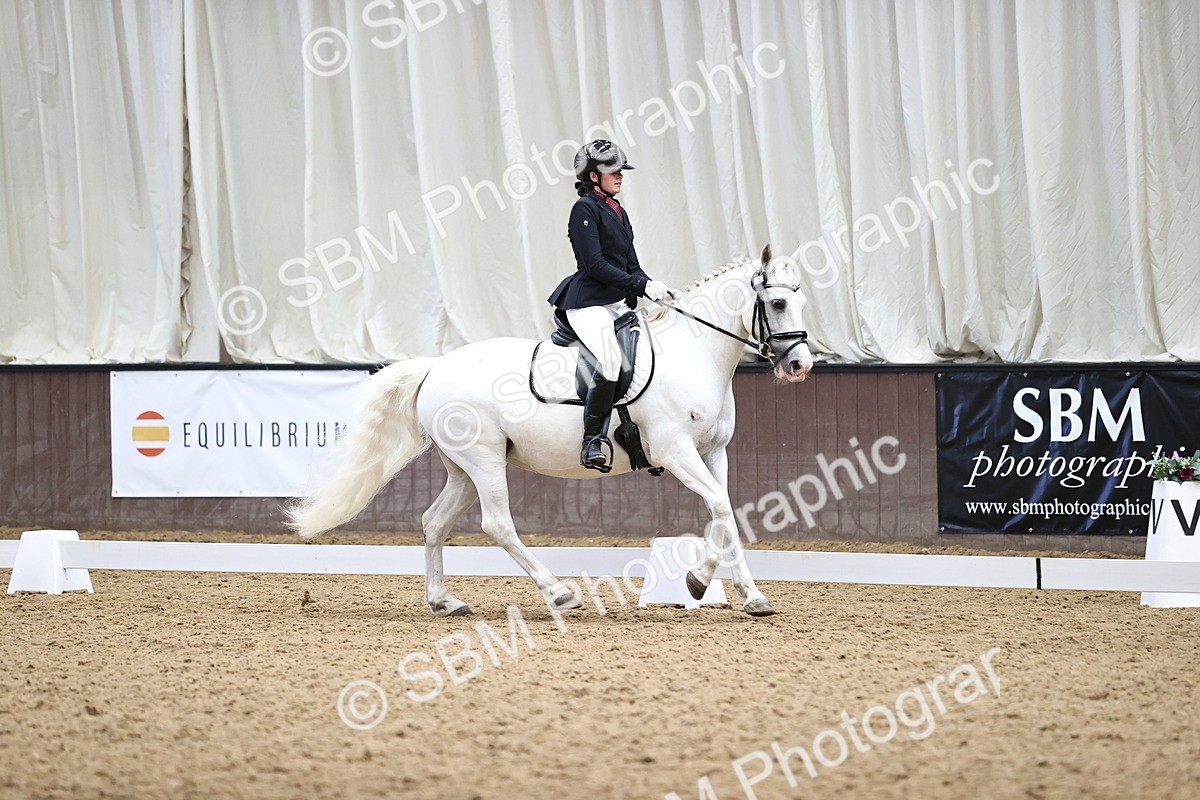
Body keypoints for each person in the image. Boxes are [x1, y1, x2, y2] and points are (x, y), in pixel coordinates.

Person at [546, 140, 674, 472]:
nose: (619, 176)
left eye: (621, 170)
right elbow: (596, 265)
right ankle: (592, 441)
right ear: (592, 176)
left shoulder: (618, 210)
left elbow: (631, 264)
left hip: (616, 302)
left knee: (650, 354)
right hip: (588, 302)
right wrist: (641, 285)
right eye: (612, 171)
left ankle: (642, 436)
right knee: (611, 360)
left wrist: (653, 286)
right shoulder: (584, 210)